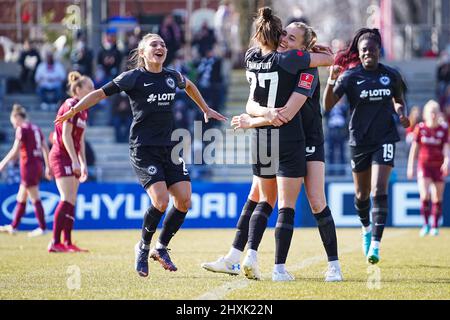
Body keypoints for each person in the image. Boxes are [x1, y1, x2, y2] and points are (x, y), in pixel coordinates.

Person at [54, 33, 227, 277]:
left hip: (171, 148)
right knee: (161, 201)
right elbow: (99, 94)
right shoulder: (132, 77)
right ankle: (143, 248)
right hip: (144, 148)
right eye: (154, 44)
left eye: (163, 44)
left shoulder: (171, 76)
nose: (160, 47)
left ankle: (161, 247)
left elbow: (188, 85)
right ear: (143, 52)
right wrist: (74, 109)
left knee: (185, 200)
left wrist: (205, 108)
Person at [202, 18, 342, 282]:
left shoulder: (305, 70)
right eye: (284, 34)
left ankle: (333, 265)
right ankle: (236, 257)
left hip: (308, 139)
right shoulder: (277, 63)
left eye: (291, 38)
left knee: (315, 200)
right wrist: (258, 114)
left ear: (303, 47)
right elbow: (252, 101)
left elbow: (287, 113)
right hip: (276, 136)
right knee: (259, 194)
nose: (283, 39)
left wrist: (250, 120)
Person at [323, 28, 410, 264]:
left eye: (371, 49)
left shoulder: (391, 75)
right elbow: (328, 105)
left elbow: (399, 100)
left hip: (385, 138)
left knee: (378, 190)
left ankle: (376, 246)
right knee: (361, 195)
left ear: (378, 50)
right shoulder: (350, 77)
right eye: (364, 50)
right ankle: (365, 229)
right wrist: (331, 79)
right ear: (359, 53)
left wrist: (402, 114)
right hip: (359, 140)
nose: (368, 53)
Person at [47, 71, 93, 253]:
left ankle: (67, 242)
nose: (93, 90)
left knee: (71, 200)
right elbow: (66, 135)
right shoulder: (71, 104)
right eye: (90, 88)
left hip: (72, 156)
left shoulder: (83, 110)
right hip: (61, 155)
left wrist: (83, 163)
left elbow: (80, 140)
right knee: (66, 198)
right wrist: (74, 160)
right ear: (79, 89)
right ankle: (54, 242)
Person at [0, 104, 51, 237]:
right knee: (21, 197)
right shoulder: (35, 128)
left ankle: (43, 227)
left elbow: (15, 150)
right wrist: (48, 166)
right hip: (37, 164)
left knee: (34, 197)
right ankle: (14, 226)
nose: (13, 123)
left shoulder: (21, 129)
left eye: (13, 120)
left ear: (16, 117)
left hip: (28, 165)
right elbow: (45, 147)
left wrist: (3, 163)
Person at [407, 100, 449, 236]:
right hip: (424, 166)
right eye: (431, 112)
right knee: (425, 195)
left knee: (437, 198)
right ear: (426, 114)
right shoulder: (420, 128)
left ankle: (435, 226)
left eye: (435, 112)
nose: (433, 115)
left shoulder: (444, 129)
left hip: (438, 166)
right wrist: (410, 166)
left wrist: (447, 161)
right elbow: (414, 148)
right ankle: (425, 225)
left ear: (438, 114)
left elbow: (447, 148)